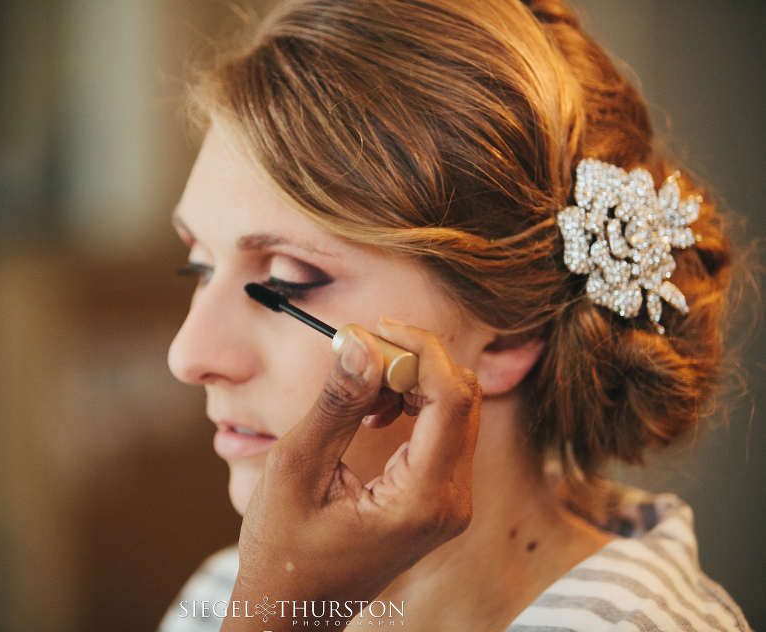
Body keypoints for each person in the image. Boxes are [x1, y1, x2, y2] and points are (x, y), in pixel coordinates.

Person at [159, 0, 751, 629]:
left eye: (287, 281)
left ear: (509, 332)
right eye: (198, 267)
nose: (188, 355)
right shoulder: (228, 592)